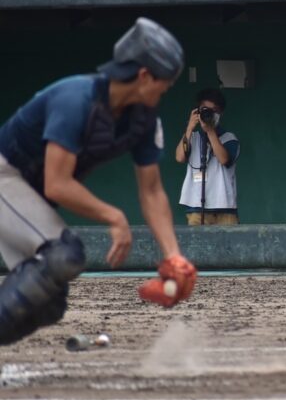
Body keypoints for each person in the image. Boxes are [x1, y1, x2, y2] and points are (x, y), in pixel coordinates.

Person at [0, 17, 197, 345]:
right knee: (64, 254)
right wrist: (113, 216)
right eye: (165, 80)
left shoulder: (144, 119)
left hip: (24, 193)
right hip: (5, 175)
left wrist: (173, 255)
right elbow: (57, 184)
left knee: (48, 305)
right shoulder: (76, 98)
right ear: (144, 75)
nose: (166, 88)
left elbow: (151, 190)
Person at [175, 88, 240, 225]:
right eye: (205, 110)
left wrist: (210, 131)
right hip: (197, 207)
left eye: (213, 110)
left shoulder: (229, 138)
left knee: (229, 246)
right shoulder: (193, 137)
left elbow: (224, 159)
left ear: (220, 113)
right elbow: (180, 157)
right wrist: (189, 128)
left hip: (225, 208)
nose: (209, 114)